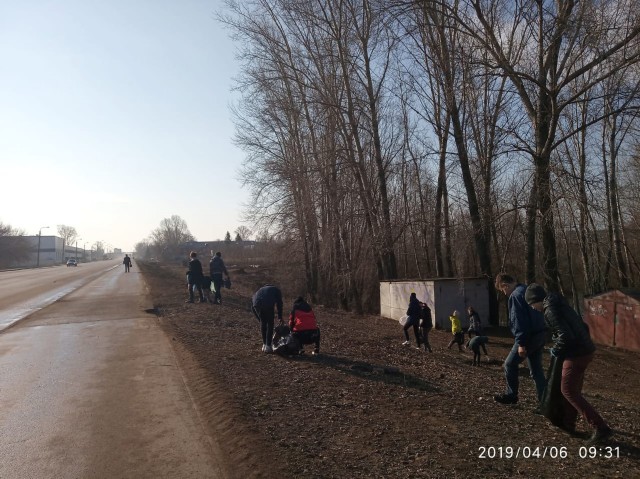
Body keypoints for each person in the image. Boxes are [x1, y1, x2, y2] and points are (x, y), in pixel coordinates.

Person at [525, 283, 613, 444]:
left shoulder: (550, 310)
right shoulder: (559, 303)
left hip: (576, 353)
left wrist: (556, 350)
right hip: (585, 349)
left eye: (532, 304)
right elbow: (582, 326)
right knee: (572, 390)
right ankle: (568, 423)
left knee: (568, 391)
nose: (533, 308)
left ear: (536, 300)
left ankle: (600, 427)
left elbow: (565, 335)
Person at [494, 273, 547, 405]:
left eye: (503, 290)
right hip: (540, 334)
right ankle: (545, 401)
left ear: (505, 285)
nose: (504, 293)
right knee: (537, 370)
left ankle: (511, 395)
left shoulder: (515, 296)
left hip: (527, 338)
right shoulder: (527, 290)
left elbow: (519, 321)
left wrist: (521, 343)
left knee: (509, 364)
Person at [252, 284, 283, 353]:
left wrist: (259, 319)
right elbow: (279, 304)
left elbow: (252, 307)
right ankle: (268, 345)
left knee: (263, 324)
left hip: (256, 304)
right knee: (270, 324)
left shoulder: (260, 290)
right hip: (267, 304)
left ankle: (264, 345)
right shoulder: (276, 290)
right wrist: (280, 317)